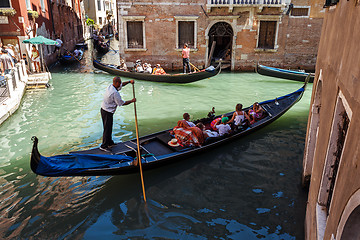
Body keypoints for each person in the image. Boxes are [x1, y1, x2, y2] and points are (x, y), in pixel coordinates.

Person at [100, 76, 136, 152]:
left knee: (109, 128)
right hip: (107, 112)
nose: (120, 84)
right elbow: (122, 103)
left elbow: (122, 84)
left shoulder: (111, 86)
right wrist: (132, 101)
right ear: (116, 83)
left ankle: (110, 142)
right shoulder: (114, 93)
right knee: (107, 129)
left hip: (105, 110)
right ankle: (104, 146)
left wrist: (129, 82)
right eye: (119, 82)